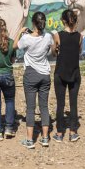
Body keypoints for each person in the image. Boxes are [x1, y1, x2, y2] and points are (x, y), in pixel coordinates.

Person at [18, 11, 54, 149]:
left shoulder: (26, 38)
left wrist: (20, 32)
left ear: (33, 23)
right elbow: (52, 50)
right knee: (44, 107)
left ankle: (29, 140)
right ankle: (45, 138)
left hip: (31, 74)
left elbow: (15, 46)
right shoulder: (48, 36)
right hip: (45, 74)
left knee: (31, 108)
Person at [52, 8, 83, 142]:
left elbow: (54, 53)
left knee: (60, 104)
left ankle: (59, 133)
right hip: (75, 73)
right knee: (73, 103)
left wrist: (56, 48)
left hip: (60, 73)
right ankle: (73, 132)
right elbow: (79, 51)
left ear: (63, 20)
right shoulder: (79, 36)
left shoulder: (57, 36)